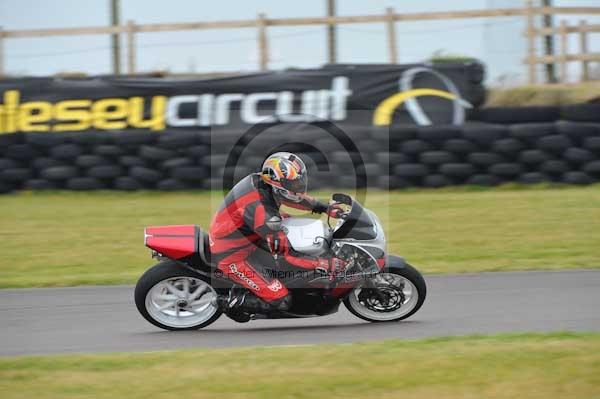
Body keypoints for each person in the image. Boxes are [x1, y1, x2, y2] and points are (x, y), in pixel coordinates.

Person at [209, 152, 346, 312]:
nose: (298, 186)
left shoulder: (263, 182)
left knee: (296, 227)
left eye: (299, 181)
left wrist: (326, 208)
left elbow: (295, 198)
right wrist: (324, 264)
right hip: (233, 255)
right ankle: (229, 302)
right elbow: (287, 257)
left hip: (247, 234)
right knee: (282, 300)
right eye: (293, 184)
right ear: (277, 183)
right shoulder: (264, 213)